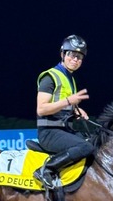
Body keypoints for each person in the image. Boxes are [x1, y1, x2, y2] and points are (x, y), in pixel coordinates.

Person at [33, 34, 94, 188]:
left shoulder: (70, 78)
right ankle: (45, 170)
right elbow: (41, 108)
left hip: (64, 130)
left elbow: (62, 105)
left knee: (93, 142)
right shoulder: (50, 77)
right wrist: (69, 101)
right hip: (49, 133)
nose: (76, 60)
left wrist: (76, 110)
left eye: (80, 57)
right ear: (63, 54)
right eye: (72, 55)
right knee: (85, 147)